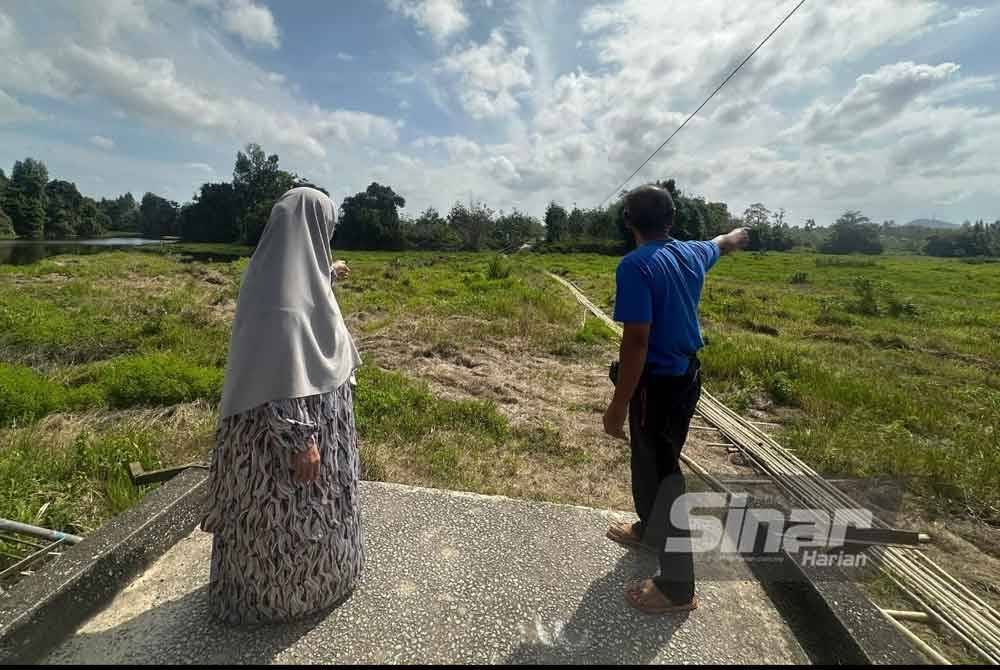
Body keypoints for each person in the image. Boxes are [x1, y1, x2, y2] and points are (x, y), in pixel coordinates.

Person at [201, 186, 364, 625]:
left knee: (308, 520)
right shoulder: (281, 304)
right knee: (281, 524)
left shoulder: (279, 274)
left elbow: (307, 294)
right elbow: (277, 374)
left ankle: (321, 583)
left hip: (308, 429)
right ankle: (274, 603)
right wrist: (302, 440)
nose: (327, 235)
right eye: (326, 228)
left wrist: (331, 271)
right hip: (283, 443)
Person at [602, 184, 749, 614]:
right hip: (686, 378)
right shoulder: (692, 253)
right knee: (651, 465)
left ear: (628, 221)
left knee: (663, 478)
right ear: (671, 221)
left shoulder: (635, 266)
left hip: (656, 385)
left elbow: (635, 345)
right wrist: (738, 234)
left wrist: (616, 408)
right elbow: (722, 243)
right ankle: (650, 530)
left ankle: (678, 588)